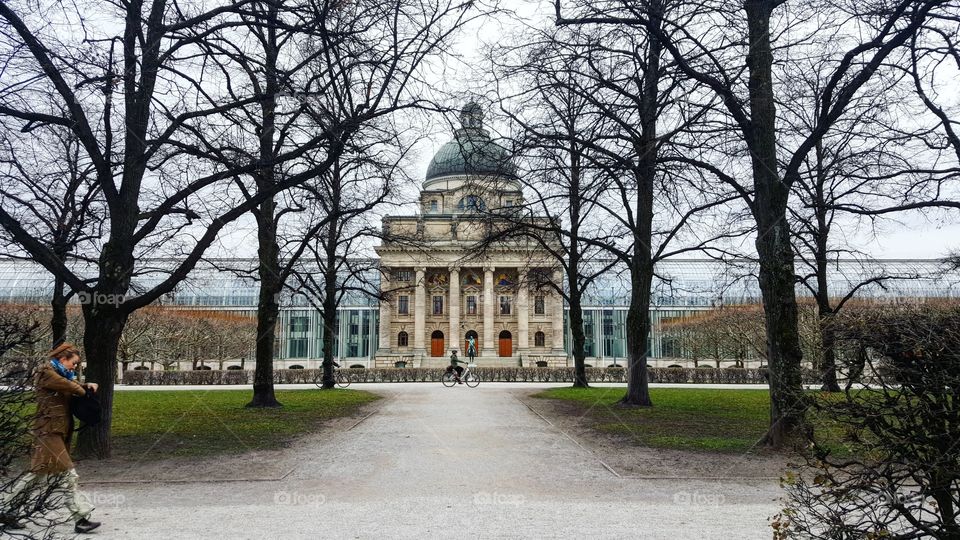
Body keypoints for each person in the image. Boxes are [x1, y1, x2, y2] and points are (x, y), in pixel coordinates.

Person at [0, 343, 102, 533]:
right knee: (68, 474)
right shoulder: (46, 372)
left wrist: (86, 386)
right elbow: (67, 386)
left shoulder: (61, 374)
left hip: (54, 432)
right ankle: (81, 517)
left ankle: (4, 509)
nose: (75, 367)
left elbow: (70, 385)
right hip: (47, 433)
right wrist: (83, 390)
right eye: (74, 363)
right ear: (63, 359)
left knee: (35, 475)